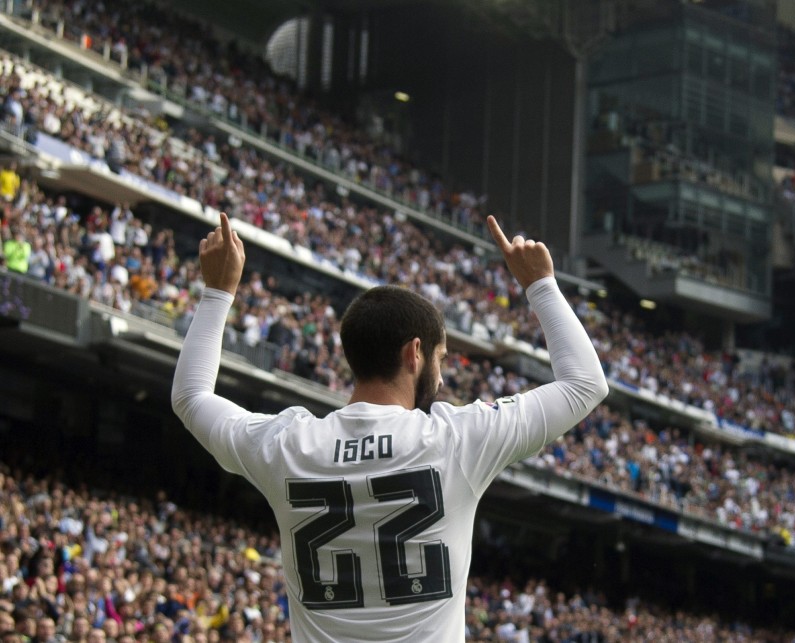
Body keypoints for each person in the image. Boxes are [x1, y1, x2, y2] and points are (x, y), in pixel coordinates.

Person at [171, 213, 608, 642]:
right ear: (414, 353)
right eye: (441, 358)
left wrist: (218, 292)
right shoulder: (456, 439)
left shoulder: (289, 444)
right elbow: (585, 382)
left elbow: (191, 398)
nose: (440, 379)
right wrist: (541, 284)